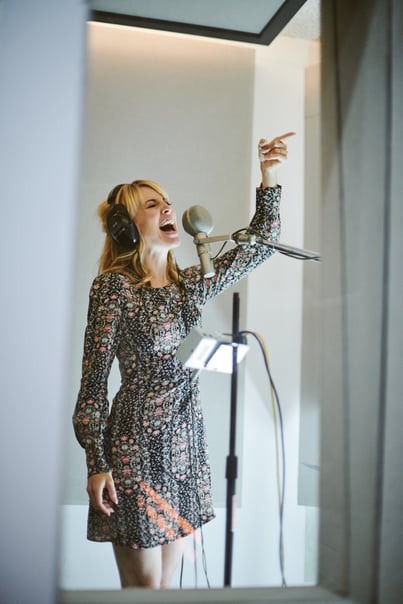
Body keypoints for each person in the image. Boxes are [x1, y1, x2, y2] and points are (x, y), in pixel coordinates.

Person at [73, 132, 295, 589]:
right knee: (144, 591)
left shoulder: (191, 285)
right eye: (152, 205)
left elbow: (264, 241)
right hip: (133, 451)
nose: (167, 208)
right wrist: (97, 461)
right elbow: (93, 382)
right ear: (126, 227)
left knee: (167, 591)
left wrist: (268, 175)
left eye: (166, 201)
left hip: (186, 449)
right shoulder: (114, 288)